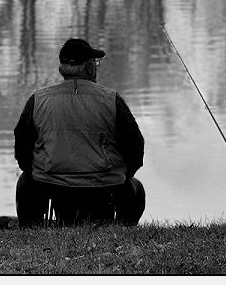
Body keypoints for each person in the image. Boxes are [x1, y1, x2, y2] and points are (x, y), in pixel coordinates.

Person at [13, 38, 146, 227]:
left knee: (25, 182)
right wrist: (124, 173)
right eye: (95, 63)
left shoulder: (38, 100)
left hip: (51, 183)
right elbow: (135, 145)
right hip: (103, 185)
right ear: (90, 68)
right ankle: (123, 230)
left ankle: (30, 229)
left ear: (62, 69)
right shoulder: (111, 99)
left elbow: (22, 145)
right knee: (136, 188)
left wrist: (38, 170)